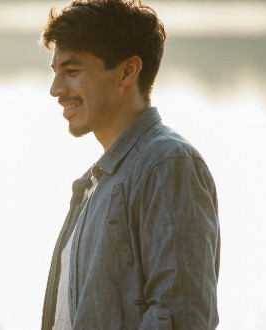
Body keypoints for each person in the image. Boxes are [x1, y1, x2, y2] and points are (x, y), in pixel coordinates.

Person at [39, 1, 220, 329]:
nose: (56, 90)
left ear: (127, 71)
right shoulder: (97, 183)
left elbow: (182, 317)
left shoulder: (168, 165)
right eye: (56, 73)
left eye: (73, 72)